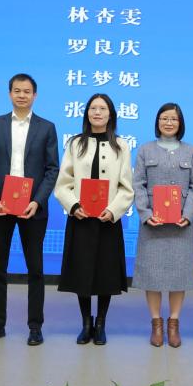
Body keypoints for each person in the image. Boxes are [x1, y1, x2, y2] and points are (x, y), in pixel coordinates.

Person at [0, 73, 60, 346]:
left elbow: (52, 169)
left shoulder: (47, 127)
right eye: (17, 90)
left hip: (32, 208)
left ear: (34, 95)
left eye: (26, 91)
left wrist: (38, 200)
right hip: (1, 206)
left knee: (35, 269)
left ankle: (35, 327)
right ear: (9, 93)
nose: (21, 95)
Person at [53, 94, 133, 345]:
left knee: (105, 273)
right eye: (93, 108)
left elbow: (126, 187)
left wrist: (113, 210)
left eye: (103, 108)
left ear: (111, 114)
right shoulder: (75, 144)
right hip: (81, 218)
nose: (97, 112)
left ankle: (101, 323)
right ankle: (86, 322)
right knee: (83, 271)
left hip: (107, 219)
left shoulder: (121, 145)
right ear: (87, 113)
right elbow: (63, 183)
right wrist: (73, 205)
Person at [132, 103, 193, 348]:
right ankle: (156, 323)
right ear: (157, 122)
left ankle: (173, 323)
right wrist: (145, 213)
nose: (169, 123)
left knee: (178, 275)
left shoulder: (191, 151)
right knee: (152, 275)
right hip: (153, 223)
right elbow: (138, 184)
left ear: (180, 123)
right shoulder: (145, 150)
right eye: (164, 118)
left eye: (173, 119)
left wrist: (189, 214)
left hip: (181, 224)